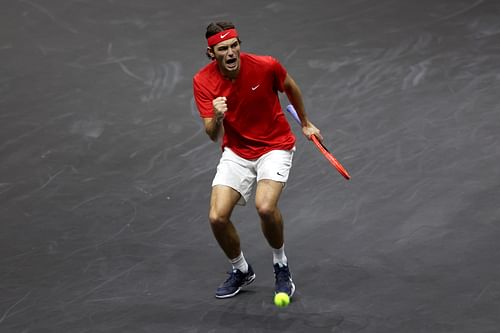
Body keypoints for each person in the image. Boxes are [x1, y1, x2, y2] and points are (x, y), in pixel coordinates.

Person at [192, 21, 322, 300]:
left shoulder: (266, 66)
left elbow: (290, 87)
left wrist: (306, 123)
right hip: (237, 151)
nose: (230, 53)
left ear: (239, 45)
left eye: (234, 46)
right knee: (217, 217)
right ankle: (241, 270)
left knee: (264, 207)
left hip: (275, 145)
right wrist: (217, 115)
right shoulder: (203, 81)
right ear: (211, 53)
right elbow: (212, 135)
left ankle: (281, 264)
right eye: (222, 48)